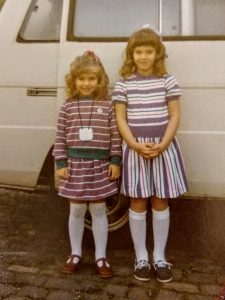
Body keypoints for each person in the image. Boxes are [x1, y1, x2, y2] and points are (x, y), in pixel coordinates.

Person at [112, 28, 188, 283]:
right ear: (132, 54)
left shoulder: (167, 81)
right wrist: (134, 144)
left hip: (163, 148)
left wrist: (164, 143)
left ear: (157, 54)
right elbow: (121, 119)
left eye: (148, 51)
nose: (143, 56)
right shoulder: (123, 84)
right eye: (139, 51)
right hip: (136, 150)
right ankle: (141, 256)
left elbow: (175, 115)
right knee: (138, 201)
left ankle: (159, 256)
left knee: (160, 201)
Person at [53, 51, 122, 278]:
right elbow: (60, 136)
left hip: (100, 165)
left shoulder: (107, 105)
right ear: (74, 81)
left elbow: (114, 135)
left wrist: (115, 160)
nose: (86, 83)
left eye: (91, 79)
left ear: (99, 80)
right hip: (75, 165)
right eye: (81, 78)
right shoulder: (67, 107)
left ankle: (101, 256)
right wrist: (60, 162)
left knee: (99, 209)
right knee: (77, 209)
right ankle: (75, 253)